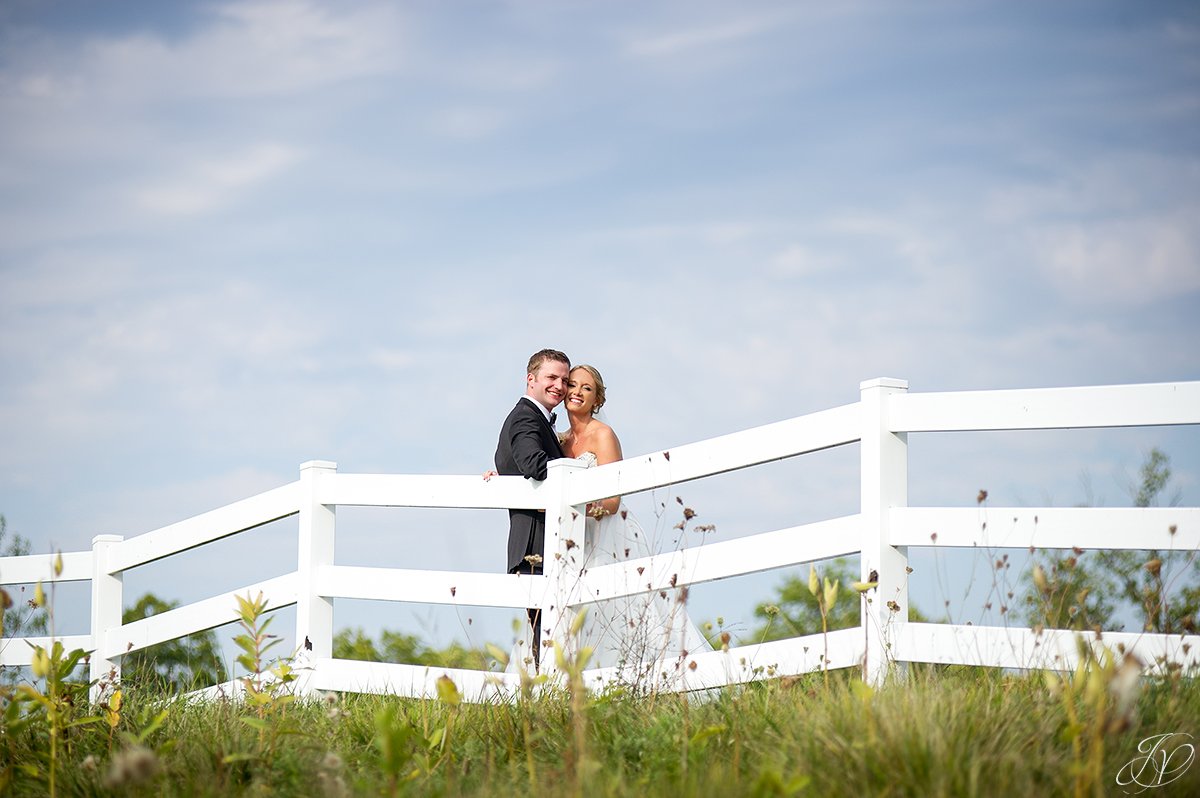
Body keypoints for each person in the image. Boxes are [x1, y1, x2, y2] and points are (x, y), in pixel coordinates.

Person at [559, 364, 712, 686]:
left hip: (607, 534)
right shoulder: (559, 442)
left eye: (586, 388)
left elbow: (612, 502)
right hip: (572, 539)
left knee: (618, 606)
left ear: (597, 398)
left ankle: (647, 682)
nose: (577, 392)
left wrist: (572, 511)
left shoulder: (603, 435)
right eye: (572, 385)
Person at [492, 348, 571, 672]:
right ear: (531, 379)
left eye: (564, 380)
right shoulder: (526, 416)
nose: (560, 386)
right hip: (536, 545)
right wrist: (579, 471)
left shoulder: (535, 418)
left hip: (542, 544)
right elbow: (533, 463)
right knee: (547, 638)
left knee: (550, 638)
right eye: (552, 377)